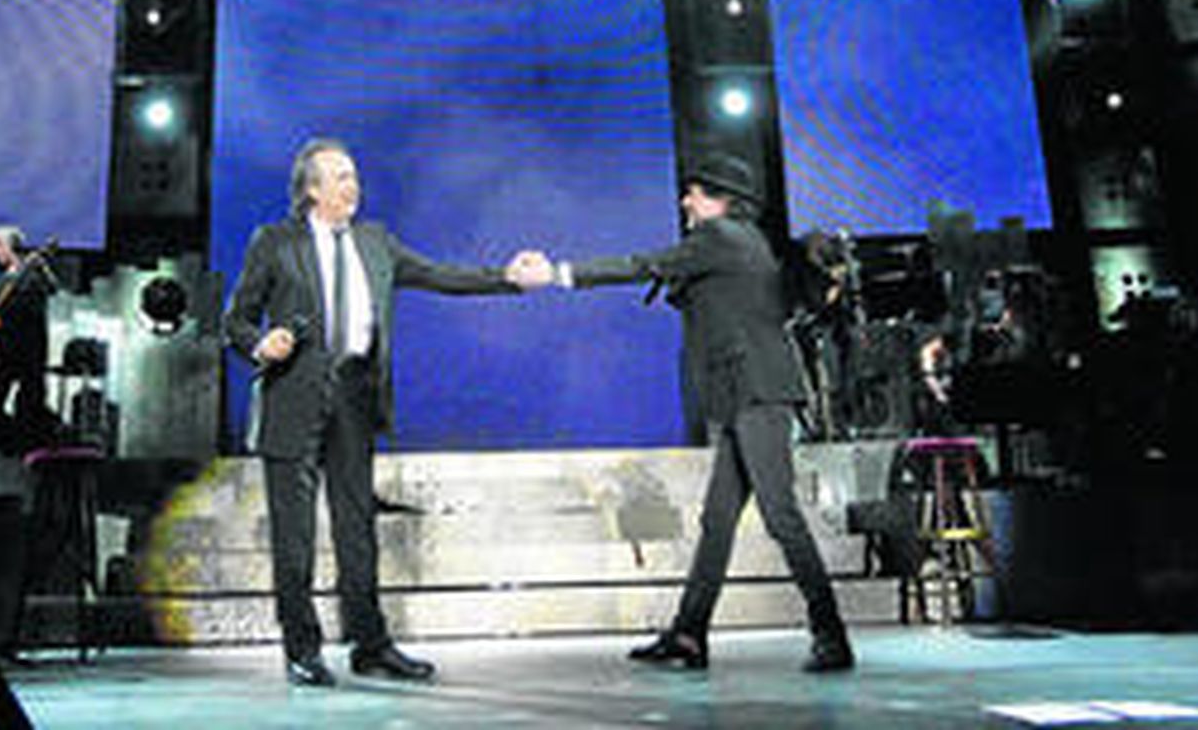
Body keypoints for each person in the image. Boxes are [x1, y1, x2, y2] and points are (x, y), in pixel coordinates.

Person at [517, 152, 855, 673]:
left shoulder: (718, 238)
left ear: (718, 200)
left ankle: (830, 634)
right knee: (718, 520)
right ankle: (689, 634)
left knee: (780, 514)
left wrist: (556, 274)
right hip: (743, 394)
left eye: (693, 193)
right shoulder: (746, 241)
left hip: (757, 393)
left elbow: (641, 265)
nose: (684, 201)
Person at [223, 137, 537, 687]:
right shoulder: (276, 242)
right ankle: (302, 649)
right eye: (340, 176)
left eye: (354, 175)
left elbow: (442, 276)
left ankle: (371, 644)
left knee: (357, 528)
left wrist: (505, 277)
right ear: (312, 189)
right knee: (293, 536)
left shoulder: (377, 243)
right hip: (293, 396)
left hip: (355, 394)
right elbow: (236, 321)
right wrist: (260, 343)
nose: (353, 185)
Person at [0, 226, 57, 444]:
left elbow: (52, 288)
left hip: (30, 343)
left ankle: (25, 443)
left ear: (12, 247)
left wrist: (41, 268)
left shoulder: (32, 269)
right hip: (4, 342)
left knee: (30, 396)